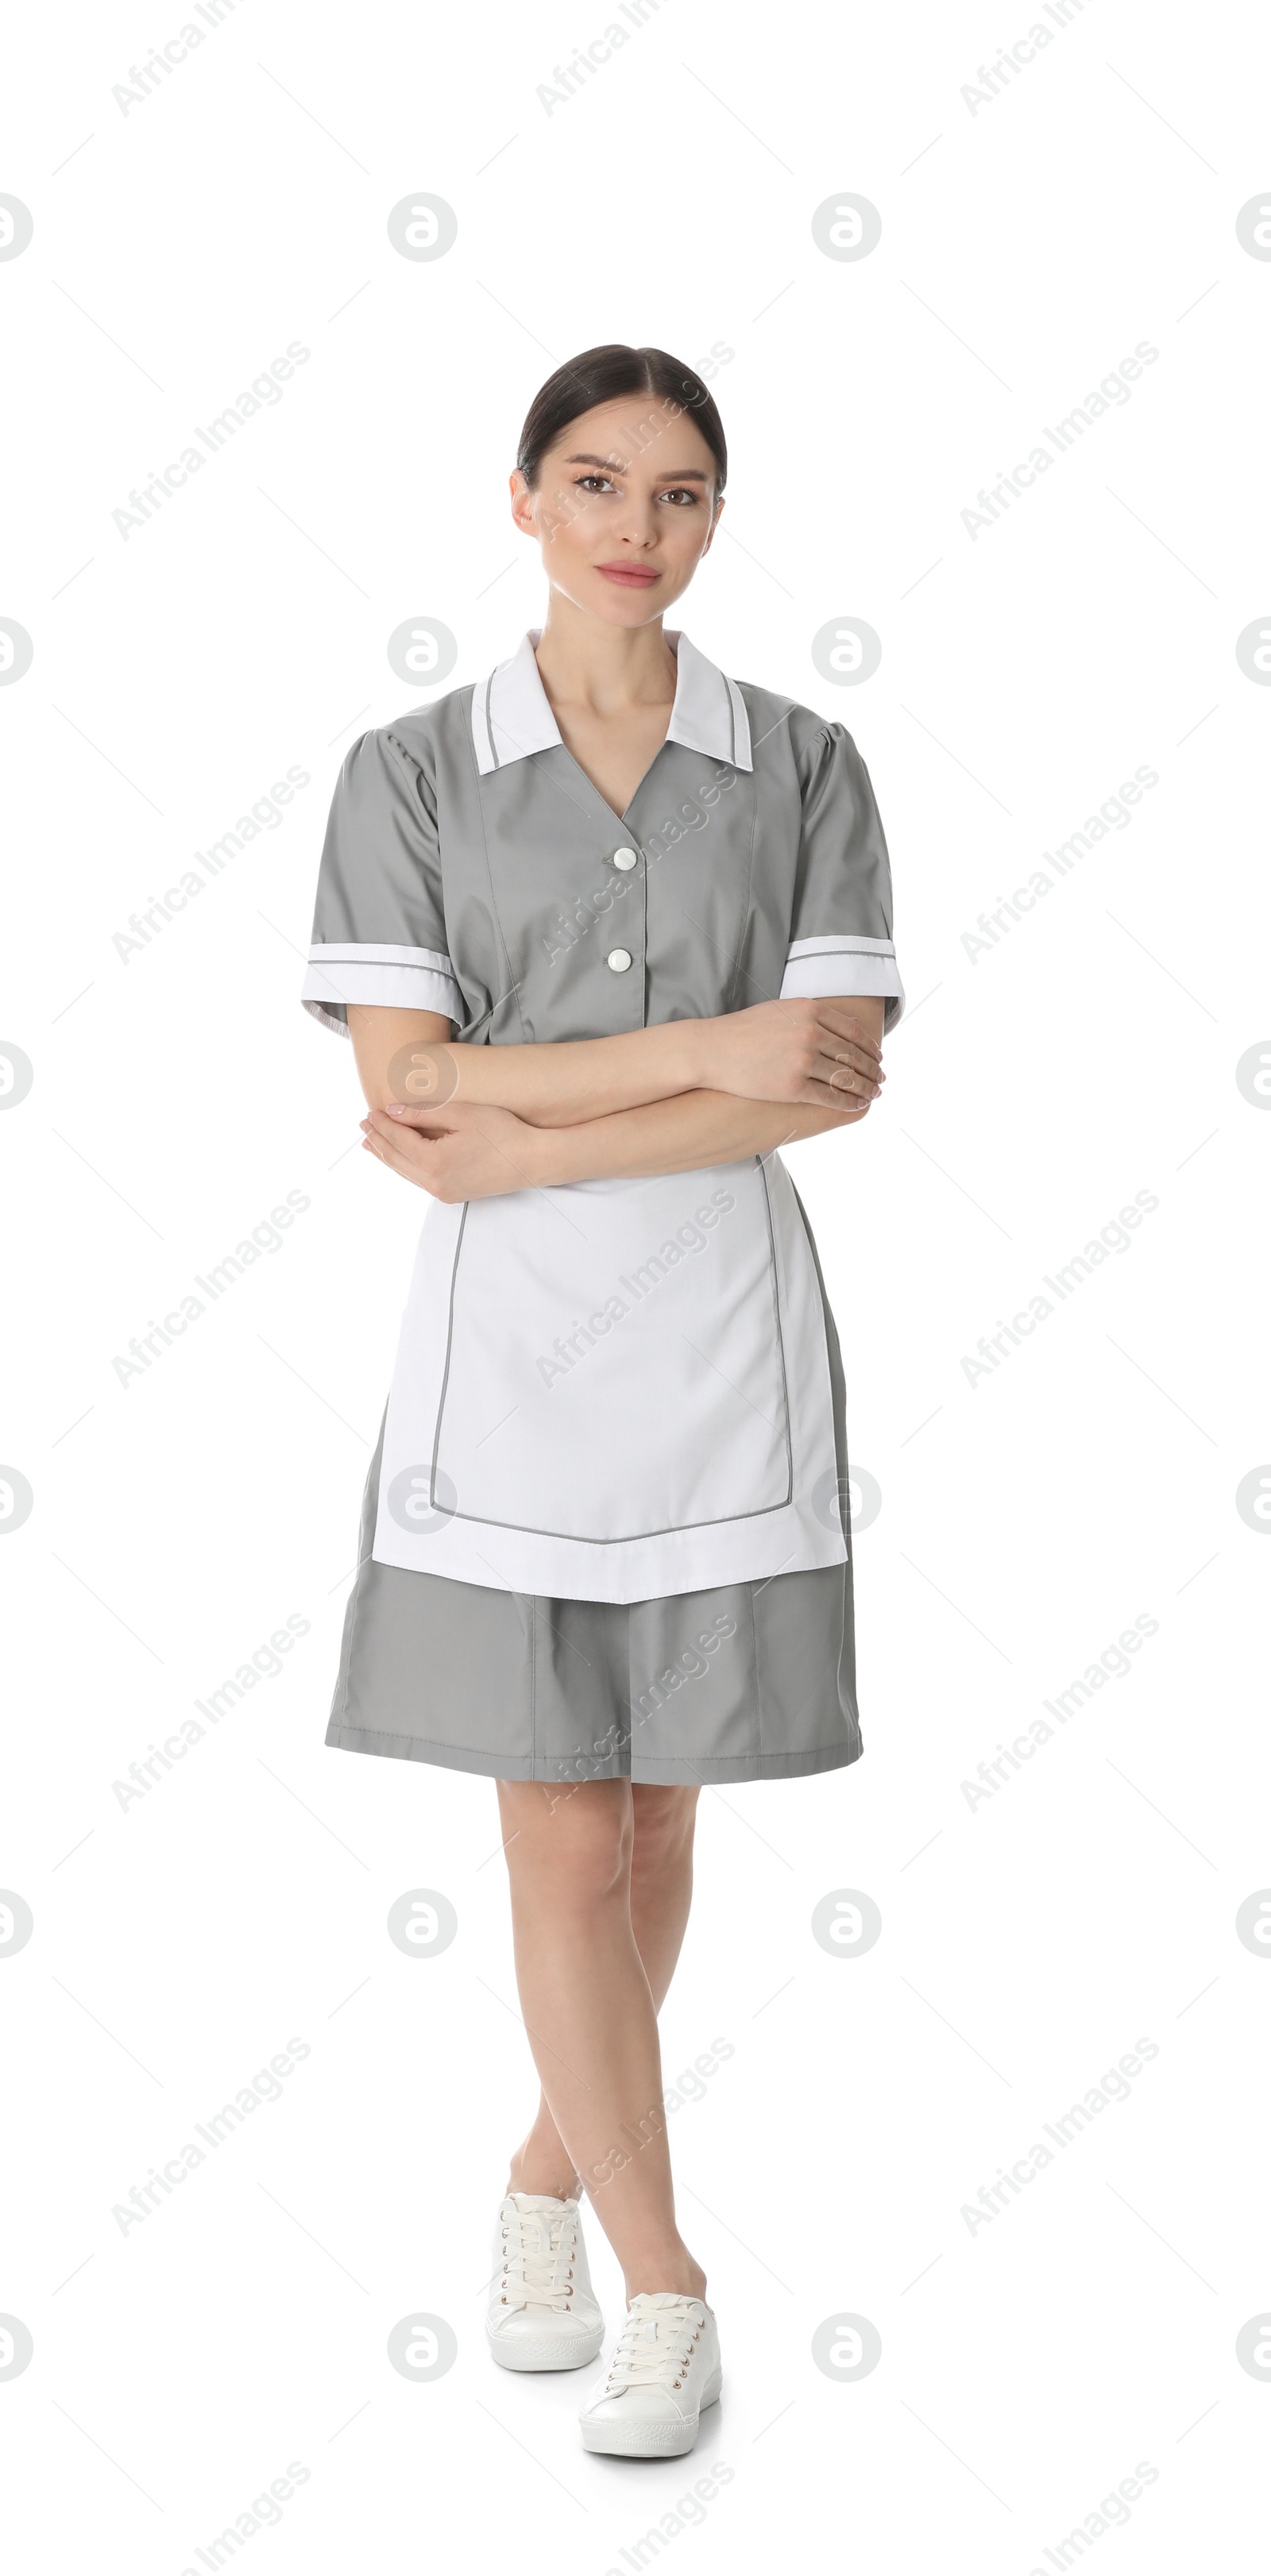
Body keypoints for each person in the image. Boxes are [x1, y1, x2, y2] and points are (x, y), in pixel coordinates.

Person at [300, 342, 905, 2458]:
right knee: (559, 1830)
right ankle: (672, 2279)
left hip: (726, 1353)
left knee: (661, 1814)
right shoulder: (410, 769)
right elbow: (401, 1088)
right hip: (506, 1372)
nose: (634, 528)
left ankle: (552, 2170)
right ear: (524, 499)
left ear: (717, 521)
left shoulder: (807, 760)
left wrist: (529, 1116)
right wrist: (709, 1058)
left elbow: (827, 1071)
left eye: (677, 493)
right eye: (594, 482)